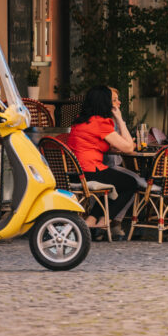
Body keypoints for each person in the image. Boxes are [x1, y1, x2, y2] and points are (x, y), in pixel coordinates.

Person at [66, 85, 139, 237]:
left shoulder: (81, 121)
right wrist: (120, 119)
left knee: (117, 181)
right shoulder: (100, 122)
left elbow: (91, 145)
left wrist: (113, 148)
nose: (117, 103)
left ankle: (92, 219)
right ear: (104, 102)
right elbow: (128, 148)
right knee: (131, 183)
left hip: (75, 172)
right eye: (112, 100)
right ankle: (106, 220)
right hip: (90, 171)